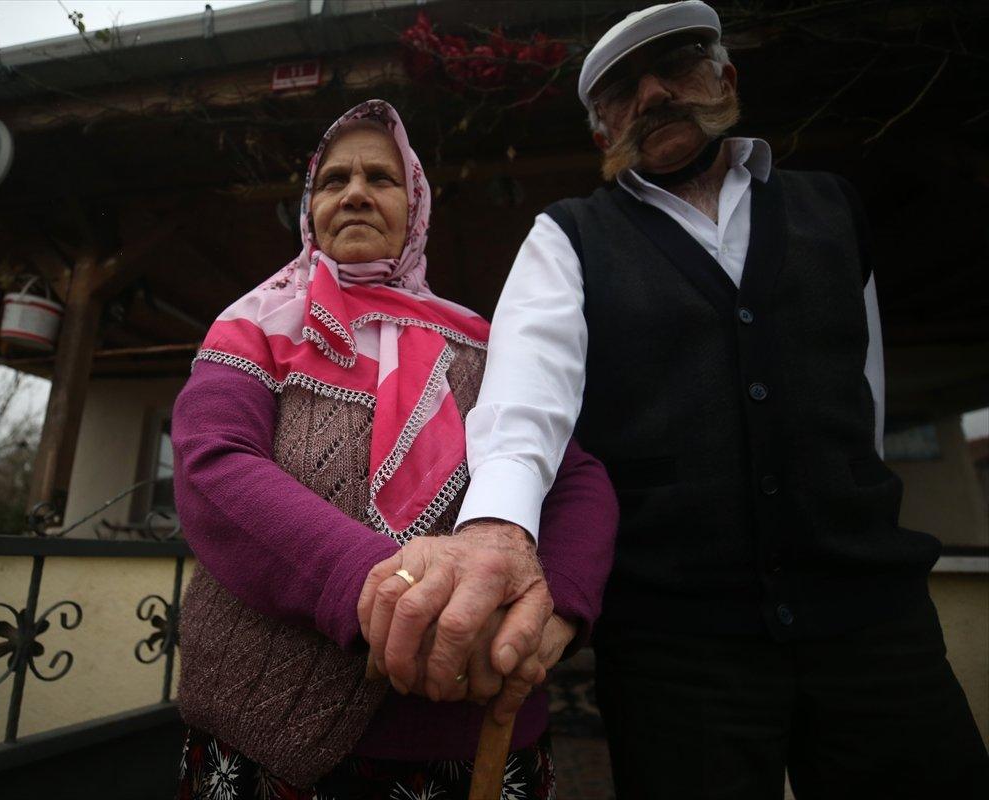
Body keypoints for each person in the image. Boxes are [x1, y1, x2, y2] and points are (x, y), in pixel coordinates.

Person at [379, 2, 985, 797]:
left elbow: (859, 404)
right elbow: (524, 409)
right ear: (602, 132)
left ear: (726, 77)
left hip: (875, 621)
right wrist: (497, 529)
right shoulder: (568, 237)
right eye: (623, 90)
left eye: (679, 65)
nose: (655, 93)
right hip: (677, 646)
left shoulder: (832, 206)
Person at [171, 99, 618, 799]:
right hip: (268, 732)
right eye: (333, 180)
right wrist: (379, 591)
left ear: (415, 207)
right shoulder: (255, 323)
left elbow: (577, 476)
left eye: (380, 178)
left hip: (478, 732)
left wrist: (553, 608)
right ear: (310, 208)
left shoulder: (485, 340)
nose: (354, 192)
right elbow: (212, 468)